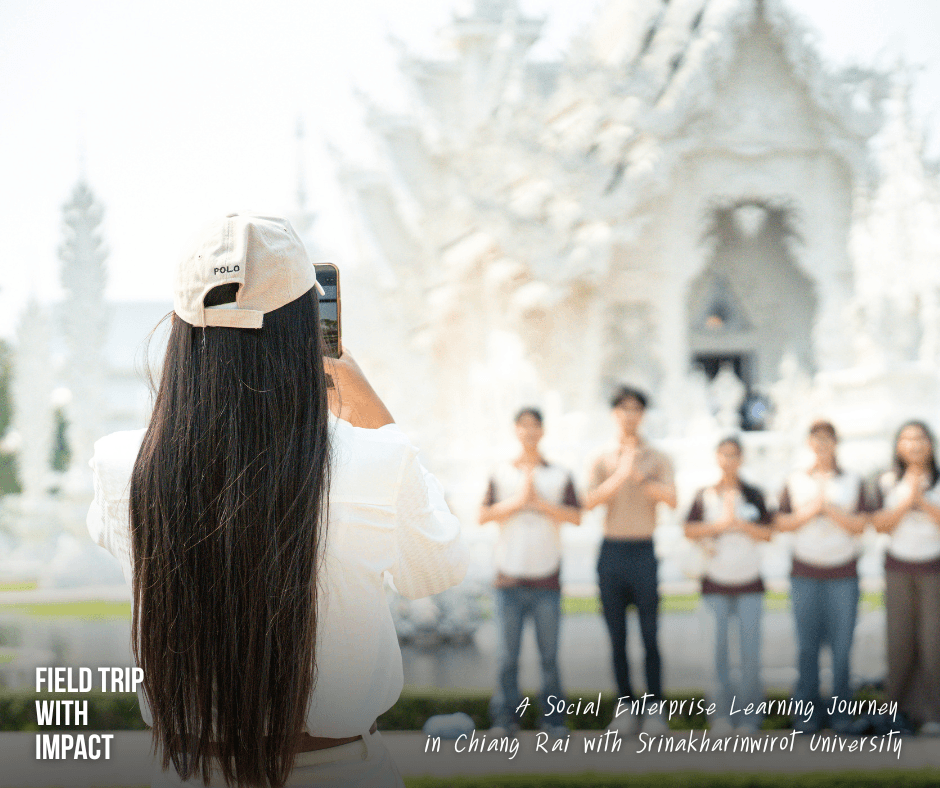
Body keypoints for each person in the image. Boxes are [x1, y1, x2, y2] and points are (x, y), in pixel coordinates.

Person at [86, 214, 468, 788]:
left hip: (185, 770)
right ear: (307, 327)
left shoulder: (121, 466)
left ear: (182, 332)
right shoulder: (377, 460)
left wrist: (184, 412)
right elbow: (436, 569)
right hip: (340, 771)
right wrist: (373, 411)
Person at [479, 407, 582, 737]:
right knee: (506, 657)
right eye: (523, 426)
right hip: (508, 577)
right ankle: (504, 720)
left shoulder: (560, 474)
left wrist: (539, 503)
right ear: (515, 430)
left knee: (549, 658)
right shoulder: (500, 472)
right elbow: (483, 515)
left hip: (546, 578)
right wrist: (518, 501)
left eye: (535, 426)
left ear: (543, 430)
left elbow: (577, 516)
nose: (529, 432)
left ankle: (554, 721)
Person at [584, 386, 677, 734]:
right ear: (614, 414)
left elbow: (672, 498)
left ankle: (655, 707)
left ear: (643, 414)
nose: (630, 415)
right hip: (611, 551)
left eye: (636, 408)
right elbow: (588, 502)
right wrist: (620, 473)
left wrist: (638, 474)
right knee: (617, 636)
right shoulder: (601, 457)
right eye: (623, 408)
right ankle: (624, 705)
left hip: (643, 551)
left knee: (650, 634)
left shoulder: (657, 457)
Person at [774, 420, 868, 734]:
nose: (822, 444)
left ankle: (841, 717)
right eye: (816, 438)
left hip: (843, 573)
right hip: (805, 572)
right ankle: (806, 716)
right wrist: (812, 509)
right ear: (809, 443)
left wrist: (829, 509)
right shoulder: (795, 480)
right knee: (806, 648)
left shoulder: (852, 480)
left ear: (836, 443)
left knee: (842, 650)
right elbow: (781, 523)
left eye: (828, 438)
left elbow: (861, 525)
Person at [685, 437, 773, 734]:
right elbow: (688, 529)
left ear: (742, 458)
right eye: (723, 454)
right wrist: (722, 524)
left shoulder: (754, 494)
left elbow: (768, 532)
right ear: (716, 458)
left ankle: (750, 718)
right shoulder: (704, 494)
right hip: (714, 584)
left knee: (750, 655)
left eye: (734, 454)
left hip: (749, 583)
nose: (728, 460)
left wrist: (740, 523)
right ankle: (720, 716)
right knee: (716, 654)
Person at [872, 421, 940, 736]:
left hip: (933, 568)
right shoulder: (886, 481)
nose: (914, 444)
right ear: (898, 446)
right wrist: (907, 499)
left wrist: (922, 500)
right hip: (898, 567)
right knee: (899, 641)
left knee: (933, 642)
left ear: (931, 443)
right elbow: (879, 524)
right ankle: (898, 714)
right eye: (907, 438)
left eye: (920, 437)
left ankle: (933, 714)